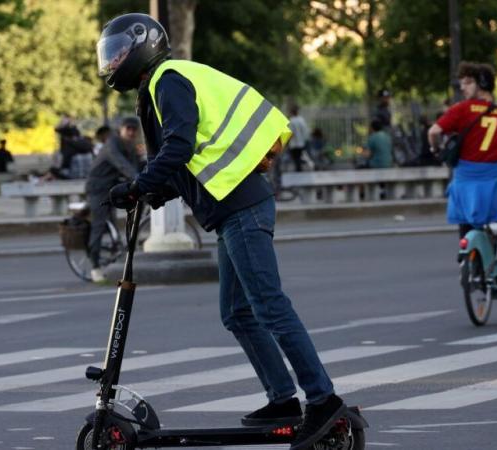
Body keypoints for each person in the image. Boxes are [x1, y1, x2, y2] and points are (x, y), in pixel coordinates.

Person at [97, 13, 345, 450]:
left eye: (118, 51)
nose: (113, 60)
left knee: (269, 306)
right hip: (234, 207)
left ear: (143, 46)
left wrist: (140, 183)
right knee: (239, 313)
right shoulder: (163, 82)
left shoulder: (167, 79)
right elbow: (191, 163)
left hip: (242, 208)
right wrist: (152, 194)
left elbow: (180, 146)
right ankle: (283, 400)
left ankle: (323, 400)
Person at [429, 62, 497, 283]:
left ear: (482, 84)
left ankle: (467, 262)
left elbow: (434, 131)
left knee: (466, 217)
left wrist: (435, 148)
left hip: (465, 180)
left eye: (468, 82)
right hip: (494, 181)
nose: (463, 88)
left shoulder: (462, 110)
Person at [85, 117, 145, 282]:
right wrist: (139, 179)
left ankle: (115, 257)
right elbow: (122, 165)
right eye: (128, 129)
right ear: (121, 129)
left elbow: (135, 167)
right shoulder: (112, 144)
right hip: (98, 188)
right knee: (99, 224)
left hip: (112, 187)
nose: (131, 132)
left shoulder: (131, 146)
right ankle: (95, 267)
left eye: (134, 129)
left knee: (114, 224)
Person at [287, 105, 310, 173]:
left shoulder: (292, 120)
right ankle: (300, 168)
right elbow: (305, 131)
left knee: (295, 157)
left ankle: (298, 169)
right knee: (299, 156)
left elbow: (291, 133)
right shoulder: (301, 120)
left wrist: (287, 142)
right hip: (301, 142)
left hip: (294, 143)